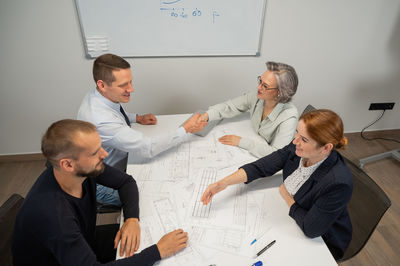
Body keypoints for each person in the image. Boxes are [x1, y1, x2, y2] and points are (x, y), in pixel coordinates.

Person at [12, 119, 188, 265]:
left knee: (147, 234)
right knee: (156, 252)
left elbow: (126, 182)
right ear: (68, 164)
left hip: (85, 243)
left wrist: (132, 219)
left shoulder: (81, 170)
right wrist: (157, 252)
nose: (104, 154)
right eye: (95, 152)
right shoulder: (54, 215)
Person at [201, 109, 353, 260]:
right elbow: (262, 166)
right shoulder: (298, 148)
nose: (295, 141)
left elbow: (311, 228)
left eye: (304, 140)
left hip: (323, 241)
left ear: (326, 148)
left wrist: (287, 197)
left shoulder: (338, 183)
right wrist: (223, 183)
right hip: (290, 219)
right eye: (297, 133)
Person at [77, 53, 207, 206]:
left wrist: (136, 118)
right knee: (154, 199)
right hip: (101, 183)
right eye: (123, 85)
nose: (131, 89)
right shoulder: (101, 120)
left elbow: (115, 115)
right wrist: (186, 129)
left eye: (130, 82)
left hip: (113, 164)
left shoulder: (97, 96)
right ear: (102, 85)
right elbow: (148, 147)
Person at [199, 61, 299, 158]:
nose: (258, 87)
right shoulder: (258, 96)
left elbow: (277, 155)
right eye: (260, 81)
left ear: (280, 92)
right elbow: (230, 107)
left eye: (265, 86)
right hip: (253, 147)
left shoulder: (289, 117)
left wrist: (241, 142)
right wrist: (206, 116)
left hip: (270, 165)